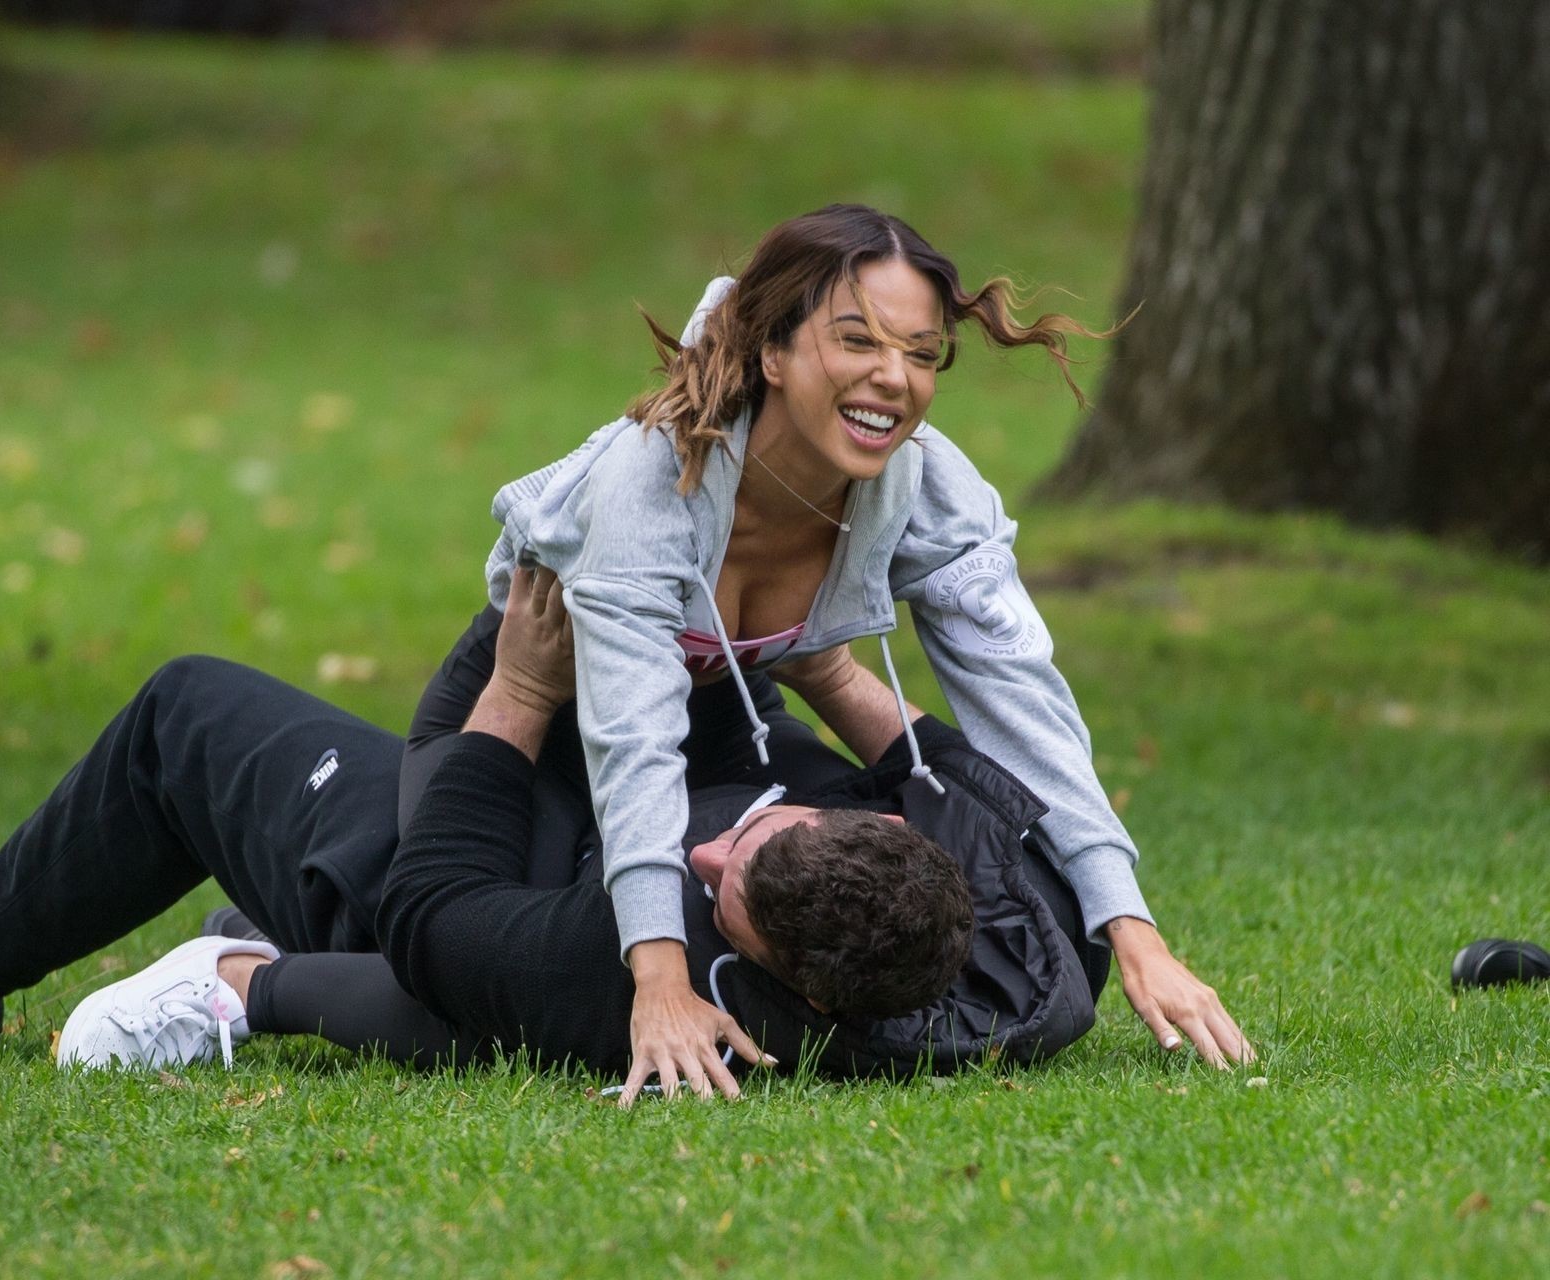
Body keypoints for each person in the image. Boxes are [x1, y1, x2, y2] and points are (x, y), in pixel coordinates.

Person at [413, 203, 1252, 1101]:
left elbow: (1022, 703)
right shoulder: (653, 480)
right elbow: (630, 738)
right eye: (858, 341)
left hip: (730, 721)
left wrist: (1133, 932)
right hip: (539, 703)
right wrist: (659, 983)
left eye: (921, 354)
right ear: (772, 352)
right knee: (443, 949)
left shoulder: (925, 484)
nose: (894, 378)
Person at [0, 568, 1002, 1098]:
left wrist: (521, 684)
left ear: (781, 976)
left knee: (187, 712)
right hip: (611, 779)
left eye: (723, 892)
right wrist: (824, 656)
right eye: (753, 840)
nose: (701, 858)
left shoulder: (628, 980)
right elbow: (972, 786)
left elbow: (434, 917)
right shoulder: (1016, 950)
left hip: (465, 866)